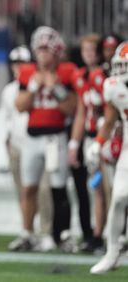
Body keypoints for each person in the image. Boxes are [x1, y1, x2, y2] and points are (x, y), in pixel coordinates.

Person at [13, 26, 77, 251]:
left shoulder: (67, 71)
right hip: (32, 138)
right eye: (39, 49)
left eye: (46, 49)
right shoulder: (28, 72)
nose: (42, 54)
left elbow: (72, 108)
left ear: (57, 51)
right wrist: (33, 87)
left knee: (58, 188)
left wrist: (55, 88)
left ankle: (62, 235)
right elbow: (20, 106)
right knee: (29, 187)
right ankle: (26, 233)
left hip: (55, 137)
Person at [2, 46, 55, 252]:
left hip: (37, 143)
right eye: (15, 63)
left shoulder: (39, 84)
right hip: (17, 144)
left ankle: (46, 233)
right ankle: (28, 233)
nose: (18, 67)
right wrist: (7, 143)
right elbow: (8, 120)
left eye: (22, 63)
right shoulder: (8, 90)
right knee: (23, 193)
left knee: (43, 190)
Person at [89, 42, 128, 274]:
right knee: (118, 199)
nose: (121, 71)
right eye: (120, 66)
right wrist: (97, 143)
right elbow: (111, 118)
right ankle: (112, 252)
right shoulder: (114, 87)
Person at [69, 34, 107, 253]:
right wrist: (74, 143)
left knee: (113, 188)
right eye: (86, 51)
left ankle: (113, 234)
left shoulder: (107, 75)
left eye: (93, 50)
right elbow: (82, 112)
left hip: (109, 137)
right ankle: (97, 235)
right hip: (91, 138)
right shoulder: (80, 75)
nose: (89, 55)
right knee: (96, 189)